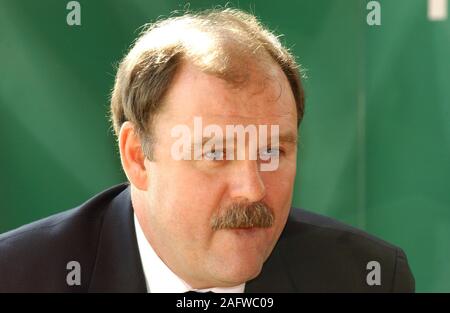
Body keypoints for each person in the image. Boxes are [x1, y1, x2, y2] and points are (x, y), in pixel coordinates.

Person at [0, 8, 414, 292]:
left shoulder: (363, 278)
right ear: (137, 157)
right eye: (216, 153)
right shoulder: (17, 277)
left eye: (271, 152)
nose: (252, 189)